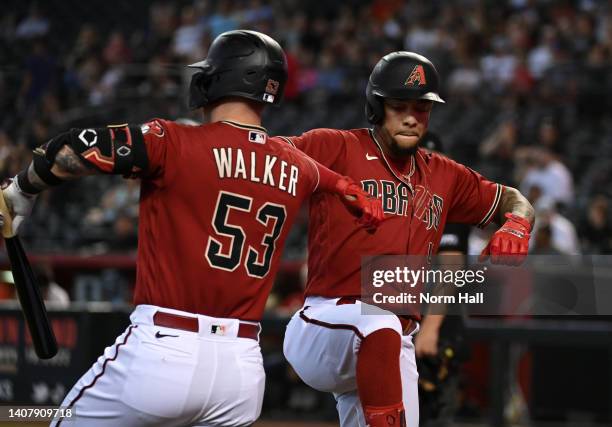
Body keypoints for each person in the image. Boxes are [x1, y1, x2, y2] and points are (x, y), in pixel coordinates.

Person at [0, 30, 382, 426]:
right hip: (241, 372)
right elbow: (333, 181)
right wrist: (347, 188)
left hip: (162, 351)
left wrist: (20, 189)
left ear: (219, 78)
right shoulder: (298, 165)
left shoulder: (175, 141)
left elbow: (73, 148)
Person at [280, 52, 535, 426]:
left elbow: (514, 198)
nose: (412, 116)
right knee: (378, 322)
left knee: (388, 334)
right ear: (376, 107)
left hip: (395, 340)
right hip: (325, 322)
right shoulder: (336, 146)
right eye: (399, 106)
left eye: (422, 107)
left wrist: (518, 223)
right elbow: (263, 153)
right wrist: (333, 181)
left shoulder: (445, 175)